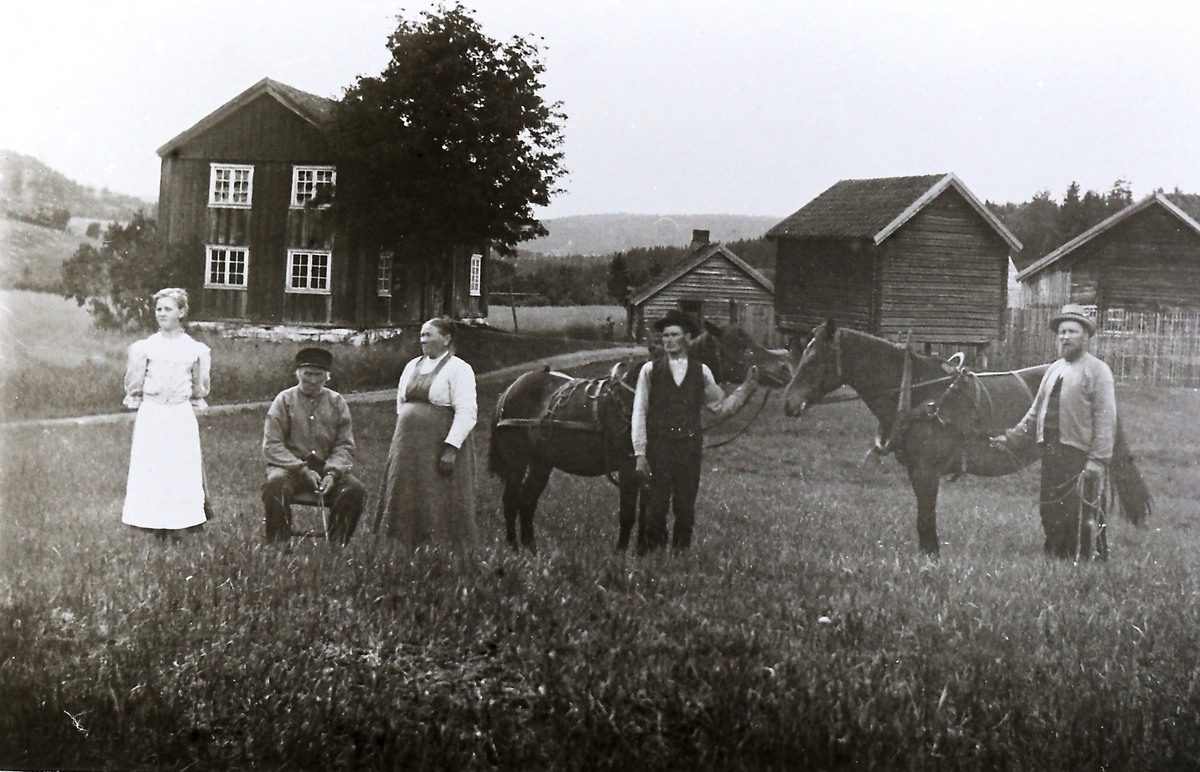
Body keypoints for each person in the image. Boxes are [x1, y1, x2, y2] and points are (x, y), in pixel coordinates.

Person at [991, 303, 1116, 560]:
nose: (1065, 337)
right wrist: (1012, 437)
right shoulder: (1054, 369)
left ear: (1086, 336)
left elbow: (1106, 419)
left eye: (1072, 331)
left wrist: (1097, 460)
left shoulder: (1098, 370)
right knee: (1049, 506)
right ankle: (1056, 555)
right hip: (1050, 448)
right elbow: (1035, 413)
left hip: (1078, 452)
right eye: (1061, 332)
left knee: (1077, 508)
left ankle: (1081, 560)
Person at [632, 309, 758, 553]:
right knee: (656, 507)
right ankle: (655, 558)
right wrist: (640, 452)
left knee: (685, 507)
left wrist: (746, 388)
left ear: (687, 338)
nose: (668, 340)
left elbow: (720, 408)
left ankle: (680, 556)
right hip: (659, 448)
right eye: (665, 336)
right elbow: (639, 412)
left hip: (688, 449)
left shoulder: (701, 372)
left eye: (674, 335)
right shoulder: (650, 370)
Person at [377, 318, 479, 548]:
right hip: (410, 446)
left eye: (429, 335)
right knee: (407, 491)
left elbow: (467, 411)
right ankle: (404, 544)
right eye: (421, 335)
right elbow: (401, 402)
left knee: (437, 495)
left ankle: (441, 546)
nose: (423, 340)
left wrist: (451, 448)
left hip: (439, 444)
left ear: (446, 339)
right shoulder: (412, 365)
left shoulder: (459, 369)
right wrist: (408, 427)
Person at [122, 287, 211, 538]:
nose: (161, 314)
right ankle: (150, 523)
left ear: (181, 312)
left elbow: (199, 387)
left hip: (180, 414)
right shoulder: (145, 348)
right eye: (158, 309)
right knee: (152, 466)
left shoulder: (196, 350)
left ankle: (182, 523)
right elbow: (135, 383)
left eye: (168, 309)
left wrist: (192, 402)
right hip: (153, 412)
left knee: (180, 467)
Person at [262, 347, 366, 545]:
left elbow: (345, 445)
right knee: (274, 485)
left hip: (326, 470)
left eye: (318, 374)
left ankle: (338, 544)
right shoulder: (283, 400)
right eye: (307, 374)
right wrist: (302, 470)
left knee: (355, 490)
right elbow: (272, 445)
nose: (311, 380)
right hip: (289, 469)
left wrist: (332, 473)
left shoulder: (337, 403)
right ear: (297, 374)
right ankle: (279, 544)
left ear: (328, 377)